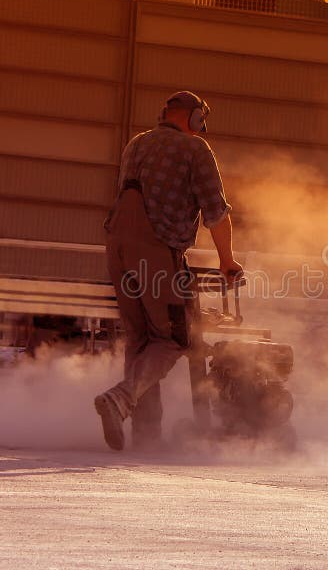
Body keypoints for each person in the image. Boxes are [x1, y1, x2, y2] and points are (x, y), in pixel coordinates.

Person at [95, 91, 242, 451]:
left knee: (141, 341)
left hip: (117, 248)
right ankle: (121, 398)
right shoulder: (195, 150)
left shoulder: (136, 144)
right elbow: (216, 214)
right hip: (156, 249)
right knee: (175, 338)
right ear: (194, 118)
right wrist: (227, 261)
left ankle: (146, 438)